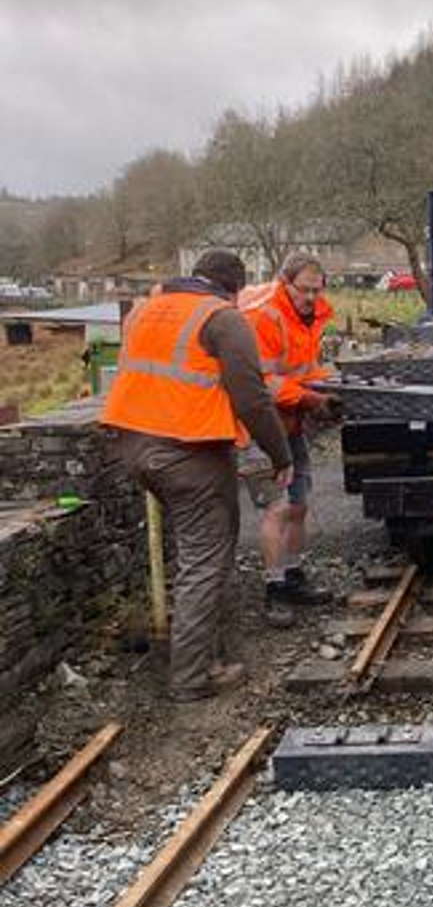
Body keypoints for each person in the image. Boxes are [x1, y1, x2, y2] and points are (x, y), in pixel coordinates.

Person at [99, 249, 292, 703]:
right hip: (189, 453)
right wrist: (280, 454)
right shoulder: (223, 318)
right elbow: (252, 399)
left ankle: (217, 654)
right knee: (204, 559)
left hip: (133, 446)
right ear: (235, 287)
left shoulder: (146, 310)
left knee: (200, 550)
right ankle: (191, 676)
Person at [239, 252, 339, 620]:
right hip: (260, 424)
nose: (311, 297)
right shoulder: (263, 316)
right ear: (286, 284)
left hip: (292, 420)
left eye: (317, 289)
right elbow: (259, 380)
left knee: (299, 504)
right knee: (276, 508)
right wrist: (311, 397)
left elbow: (305, 367)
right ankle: (275, 588)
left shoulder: (311, 316)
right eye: (304, 290)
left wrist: (328, 387)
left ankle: (294, 576)